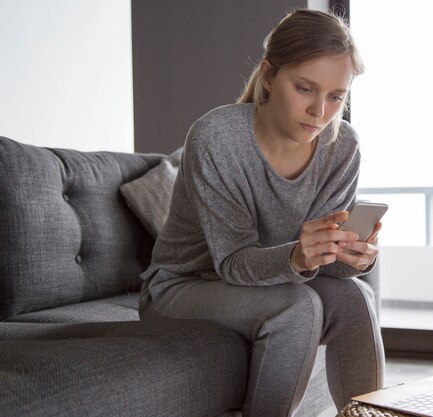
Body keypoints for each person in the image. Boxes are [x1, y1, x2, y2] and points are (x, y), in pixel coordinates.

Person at [138, 8, 384, 417]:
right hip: (183, 286)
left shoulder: (341, 147)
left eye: (336, 96)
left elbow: (318, 264)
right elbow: (232, 262)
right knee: (296, 309)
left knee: (355, 296)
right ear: (269, 76)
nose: (320, 112)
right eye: (305, 89)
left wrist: (351, 258)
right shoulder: (218, 138)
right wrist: (297, 256)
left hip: (270, 280)